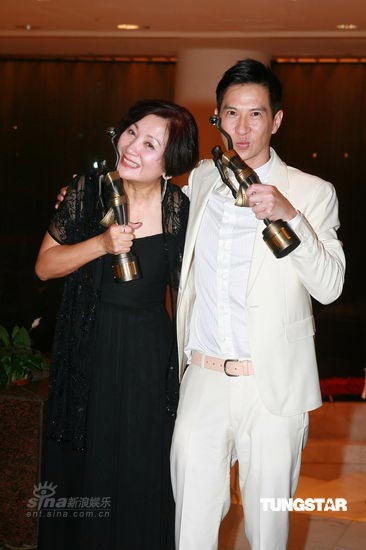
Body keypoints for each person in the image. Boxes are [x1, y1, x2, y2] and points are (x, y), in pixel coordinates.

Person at [170, 59, 346, 549]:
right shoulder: (203, 180)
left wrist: (290, 215)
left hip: (272, 387)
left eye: (255, 114)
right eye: (231, 114)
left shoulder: (312, 192)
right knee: (191, 525)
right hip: (203, 379)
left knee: (267, 529)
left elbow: (330, 286)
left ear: (277, 119)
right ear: (218, 119)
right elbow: (146, 204)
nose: (242, 128)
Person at [35, 99, 199, 550]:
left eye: (151, 143)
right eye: (131, 132)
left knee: (141, 464)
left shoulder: (181, 209)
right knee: (86, 462)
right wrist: (101, 244)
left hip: (149, 353)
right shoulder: (87, 191)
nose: (132, 146)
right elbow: (45, 267)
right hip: (87, 347)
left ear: (172, 160)